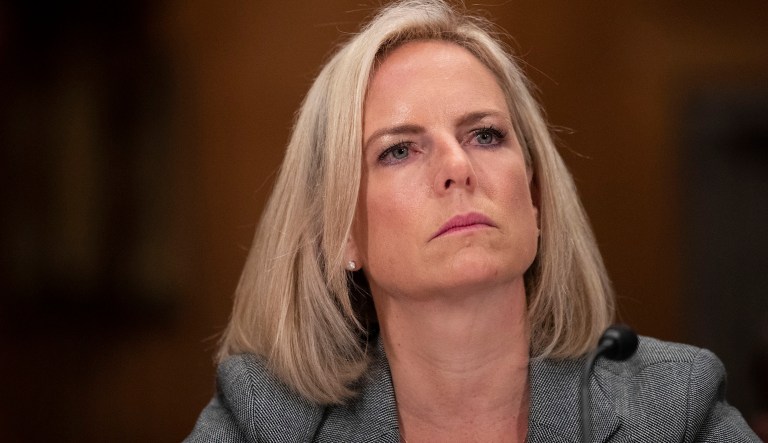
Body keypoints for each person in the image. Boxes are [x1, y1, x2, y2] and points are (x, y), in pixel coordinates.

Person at [186, 1, 759, 441]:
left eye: (484, 135)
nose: (457, 167)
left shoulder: (675, 403)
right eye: (399, 150)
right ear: (340, 233)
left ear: (534, 199)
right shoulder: (266, 417)